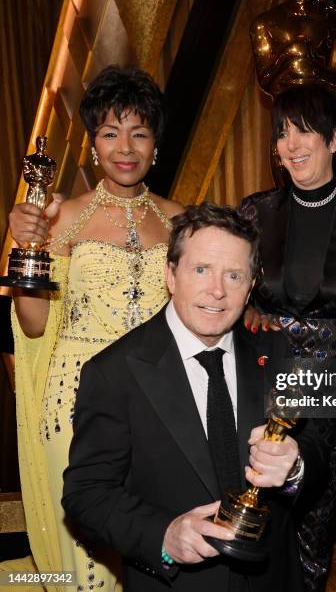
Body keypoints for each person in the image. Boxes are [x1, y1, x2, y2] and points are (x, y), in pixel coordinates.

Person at [62, 203, 328, 592]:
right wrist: (164, 535)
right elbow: (86, 495)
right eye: (201, 270)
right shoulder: (114, 372)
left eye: (234, 275)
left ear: (251, 286)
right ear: (171, 275)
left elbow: (317, 452)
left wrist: (296, 466)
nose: (217, 291)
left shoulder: (277, 352)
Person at [7, 65, 182, 590]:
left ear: (155, 145)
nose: (124, 147)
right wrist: (28, 248)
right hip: (74, 401)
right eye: (110, 133)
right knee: (91, 563)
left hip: (158, 401)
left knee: (157, 549)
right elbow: (34, 326)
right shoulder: (61, 219)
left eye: (139, 132)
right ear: (91, 145)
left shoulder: (182, 221)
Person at [240, 83, 336, 591]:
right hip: (262, 382)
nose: (292, 143)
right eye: (282, 132)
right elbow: (232, 292)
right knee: (254, 513)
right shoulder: (254, 215)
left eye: (305, 129)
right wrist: (248, 311)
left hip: (335, 392)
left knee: (313, 520)